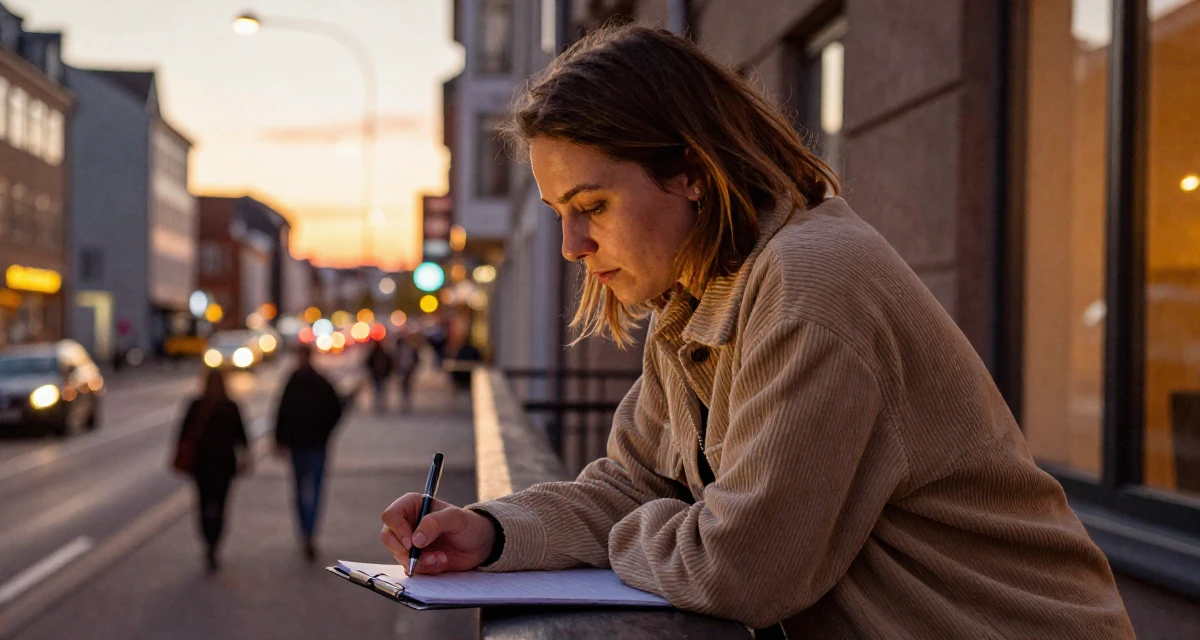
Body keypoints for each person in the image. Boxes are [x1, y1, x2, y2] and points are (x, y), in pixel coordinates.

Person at [379, 25, 1135, 638]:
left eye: (593, 206)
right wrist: (491, 531)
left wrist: (647, 531)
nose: (573, 246)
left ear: (690, 171)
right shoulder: (701, 297)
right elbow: (635, 484)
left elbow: (737, 570)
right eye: (559, 215)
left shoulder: (811, 289)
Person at [275, 344, 346, 560]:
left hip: (306, 444)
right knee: (311, 488)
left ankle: (307, 531)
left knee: (303, 489)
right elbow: (336, 408)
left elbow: (283, 411)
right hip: (311, 444)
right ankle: (308, 531)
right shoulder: (316, 381)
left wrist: (281, 439)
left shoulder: (298, 381)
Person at [175, 368, 248, 572]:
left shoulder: (196, 405)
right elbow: (241, 436)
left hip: (201, 465)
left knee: (203, 502)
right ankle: (215, 540)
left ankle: (207, 539)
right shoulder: (230, 406)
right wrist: (245, 456)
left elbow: (183, 434)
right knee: (221, 504)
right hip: (224, 465)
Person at [366, 340, 395, 413]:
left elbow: (389, 363)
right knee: (381, 390)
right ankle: (380, 405)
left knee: (379, 390)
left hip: (380, 374)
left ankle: (380, 405)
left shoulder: (375, 353)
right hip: (378, 374)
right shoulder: (378, 353)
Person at [392, 332, 419, 412]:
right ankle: (403, 402)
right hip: (402, 370)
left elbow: (416, 359)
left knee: (407, 386)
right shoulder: (399, 351)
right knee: (403, 386)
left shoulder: (411, 349)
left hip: (408, 370)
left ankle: (407, 402)